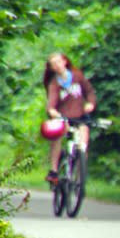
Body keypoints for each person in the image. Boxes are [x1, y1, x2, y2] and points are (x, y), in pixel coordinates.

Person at [42, 51, 96, 184]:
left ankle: (80, 172)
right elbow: (51, 105)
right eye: (54, 64)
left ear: (65, 61)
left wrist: (90, 104)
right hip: (63, 118)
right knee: (57, 138)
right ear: (52, 68)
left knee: (83, 140)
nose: (58, 66)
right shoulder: (54, 84)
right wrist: (54, 113)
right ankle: (54, 170)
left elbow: (89, 91)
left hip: (80, 116)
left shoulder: (78, 76)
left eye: (59, 62)